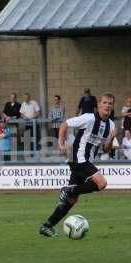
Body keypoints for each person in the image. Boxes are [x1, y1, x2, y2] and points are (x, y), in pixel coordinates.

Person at [39, 93, 116, 237]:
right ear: (98, 105)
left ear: (112, 106)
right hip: (77, 158)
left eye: (110, 103)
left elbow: (105, 149)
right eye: (104, 102)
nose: (107, 105)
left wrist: (111, 139)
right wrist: (61, 145)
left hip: (86, 161)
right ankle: (68, 189)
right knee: (101, 183)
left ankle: (47, 226)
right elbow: (64, 125)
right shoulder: (88, 118)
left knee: (71, 200)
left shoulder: (111, 125)